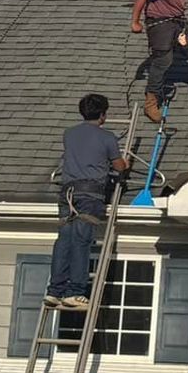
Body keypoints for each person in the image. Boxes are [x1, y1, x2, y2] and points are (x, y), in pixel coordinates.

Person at [46, 93, 131, 310]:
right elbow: (119, 166)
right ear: (103, 115)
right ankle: (75, 292)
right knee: (82, 241)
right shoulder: (107, 138)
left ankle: (55, 291)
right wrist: (126, 161)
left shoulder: (69, 134)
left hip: (67, 194)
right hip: (90, 195)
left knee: (64, 239)